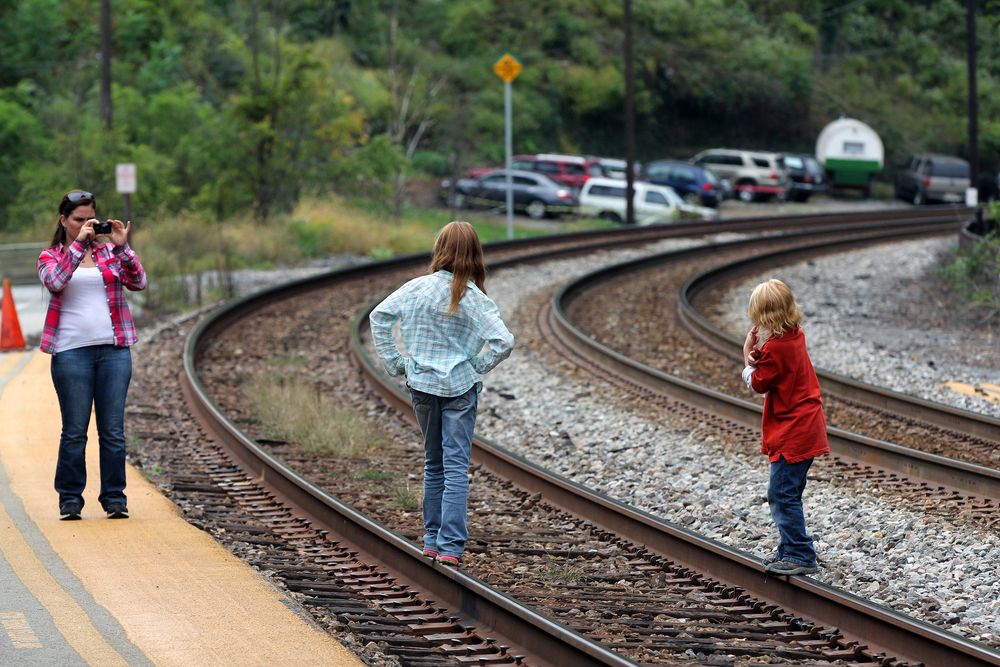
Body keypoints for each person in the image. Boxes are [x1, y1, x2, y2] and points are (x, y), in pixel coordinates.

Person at [370, 221, 514, 567]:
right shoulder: (475, 299)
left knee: (433, 463)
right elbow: (504, 341)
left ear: (440, 249)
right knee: (455, 466)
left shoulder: (416, 288)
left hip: (421, 386)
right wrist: (477, 366)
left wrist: (396, 363)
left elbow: (379, 317)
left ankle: (432, 541)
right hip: (460, 390)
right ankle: (450, 547)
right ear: (475, 255)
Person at [37, 190, 147, 520]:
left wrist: (123, 246)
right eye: (78, 220)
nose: (86, 225)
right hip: (71, 354)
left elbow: (139, 282)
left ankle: (115, 498)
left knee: (112, 431)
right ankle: (70, 498)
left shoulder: (109, 252)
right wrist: (77, 247)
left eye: (90, 219)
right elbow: (56, 282)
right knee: (74, 430)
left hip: (114, 351)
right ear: (63, 221)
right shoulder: (50, 256)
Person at [740, 278, 829, 576]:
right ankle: (788, 548)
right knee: (790, 491)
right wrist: (759, 356)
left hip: (794, 432)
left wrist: (747, 357)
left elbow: (759, 382)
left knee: (781, 494)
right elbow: (775, 364)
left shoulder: (776, 348)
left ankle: (799, 553)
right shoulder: (795, 335)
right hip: (807, 425)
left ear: (764, 317)